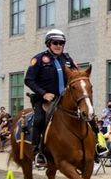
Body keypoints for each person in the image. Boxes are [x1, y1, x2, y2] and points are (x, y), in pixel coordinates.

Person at [24, 29, 77, 166]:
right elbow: (29, 80)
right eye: (55, 42)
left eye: (61, 43)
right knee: (39, 119)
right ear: (48, 44)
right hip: (44, 99)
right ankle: (37, 153)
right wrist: (43, 93)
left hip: (64, 99)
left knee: (85, 115)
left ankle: (95, 148)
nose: (59, 45)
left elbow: (76, 75)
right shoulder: (39, 59)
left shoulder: (67, 59)